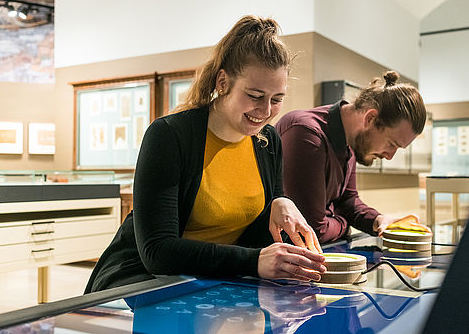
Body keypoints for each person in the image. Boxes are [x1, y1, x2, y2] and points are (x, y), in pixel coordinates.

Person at [85, 15, 325, 293]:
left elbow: (264, 215)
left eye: (277, 99)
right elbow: (157, 252)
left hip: (215, 280)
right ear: (223, 82)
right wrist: (253, 261)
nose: (266, 111)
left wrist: (279, 199)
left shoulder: (268, 140)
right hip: (143, 284)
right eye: (255, 95)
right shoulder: (169, 135)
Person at [275, 71, 427, 243]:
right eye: (391, 144)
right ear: (370, 118)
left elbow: (348, 201)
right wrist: (345, 224)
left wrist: (378, 220)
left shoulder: (351, 142)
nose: (390, 156)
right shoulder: (306, 135)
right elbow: (313, 230)